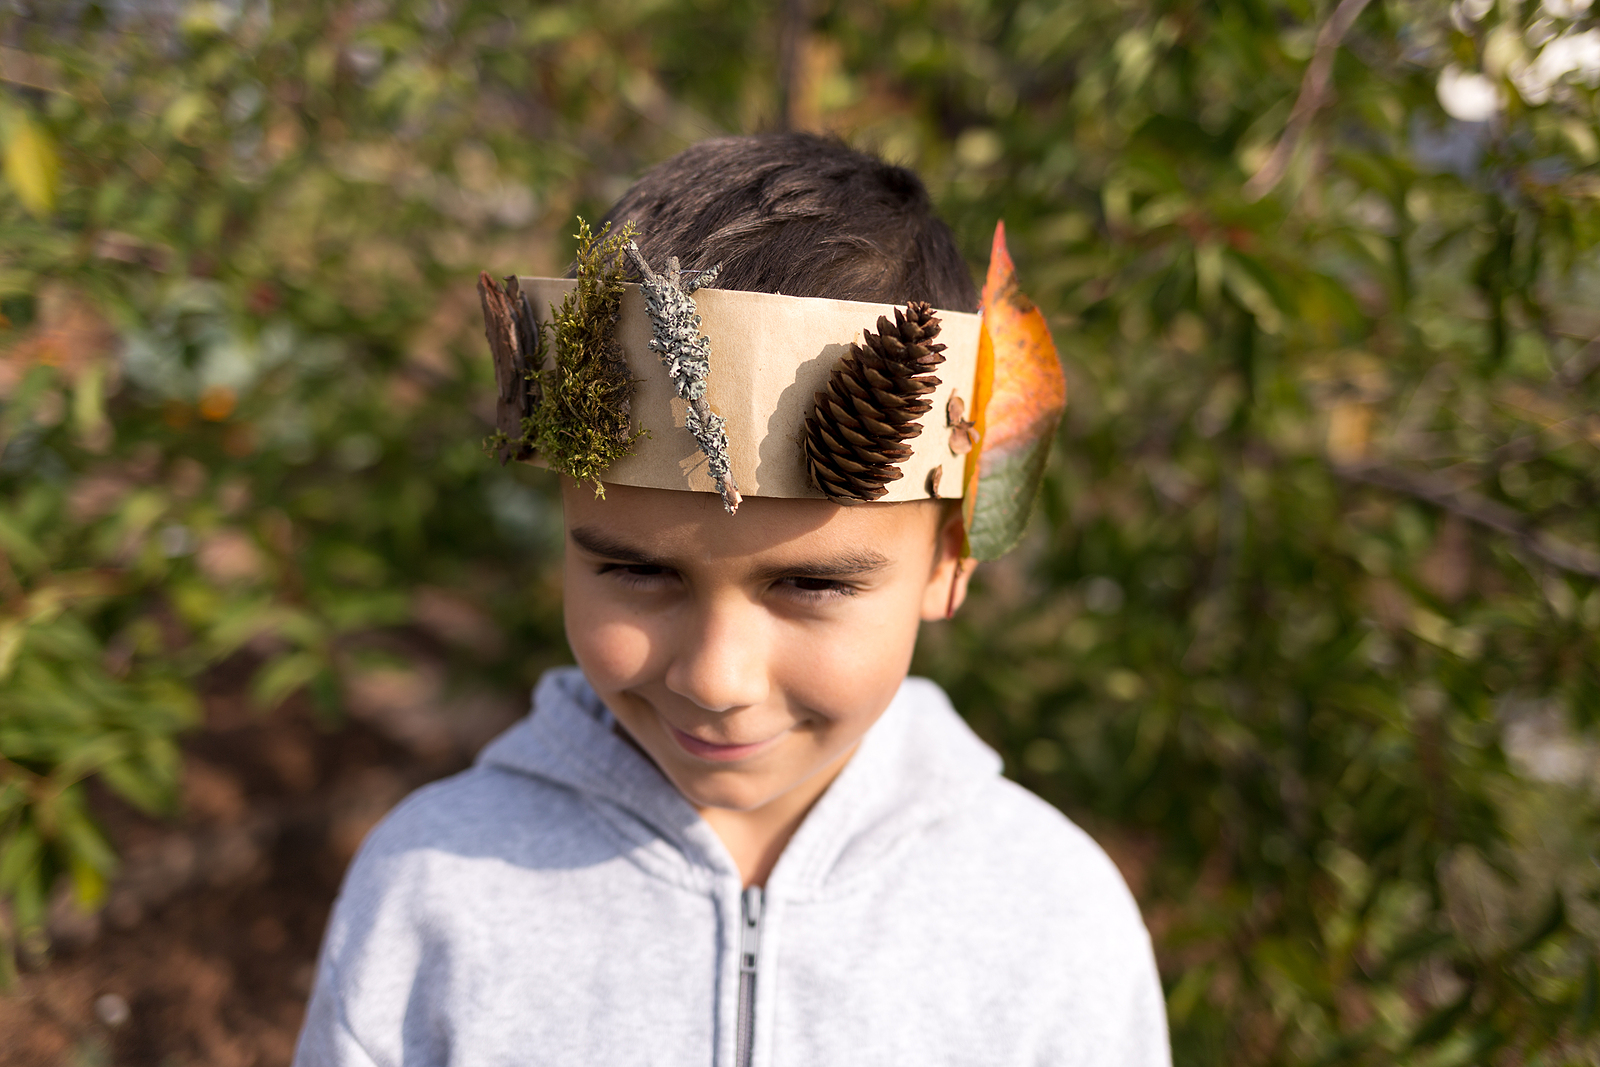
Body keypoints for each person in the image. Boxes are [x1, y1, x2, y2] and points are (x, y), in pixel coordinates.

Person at [293, 133, 1170, 1067]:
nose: (716, 677)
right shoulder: (433, 894)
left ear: (950, 559)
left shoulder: (1052, 919)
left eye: (812, 584)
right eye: (637, 572)